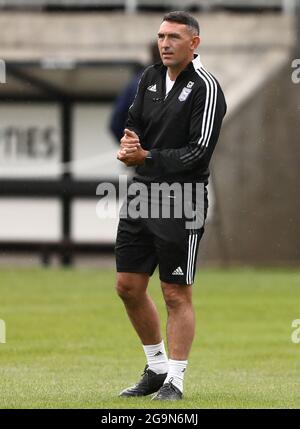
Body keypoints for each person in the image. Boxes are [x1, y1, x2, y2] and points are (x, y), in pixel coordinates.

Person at [115, 11, 227, 401]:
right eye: (161, 36)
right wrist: (130, 145)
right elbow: (134, 124)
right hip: (140, 195)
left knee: (175, 292)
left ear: (194, 43)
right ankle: (156, 367)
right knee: (127, 286)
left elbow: (198, 153)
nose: (164, 43)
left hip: (182, 199)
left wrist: (145, 157)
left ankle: (175, 381)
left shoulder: (207, 88)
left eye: (174, 37)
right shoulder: (147, 78)